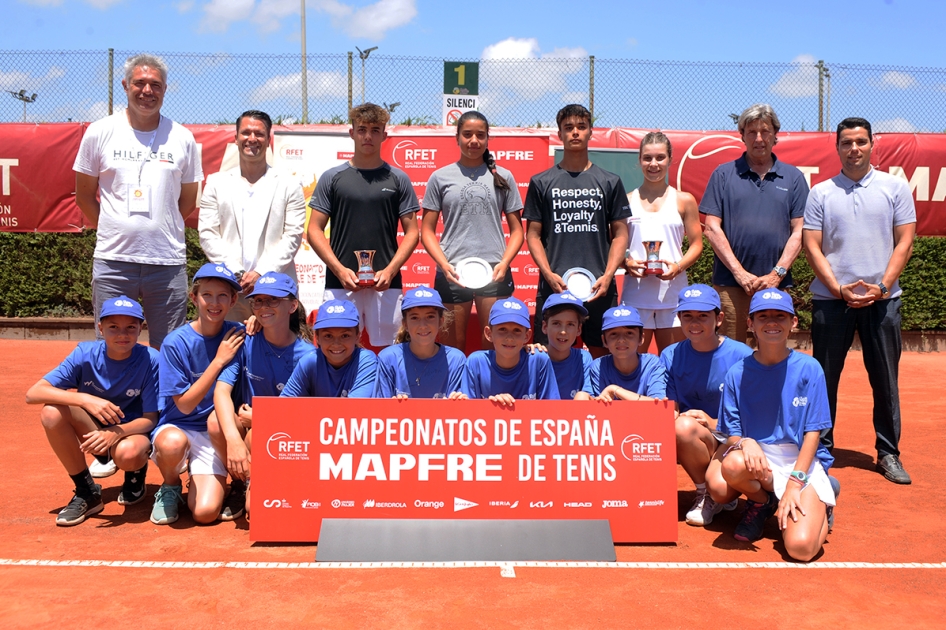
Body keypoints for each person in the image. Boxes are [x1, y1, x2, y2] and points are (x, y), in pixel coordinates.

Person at [803, 117, 916, 485]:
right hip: (831, 301)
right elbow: (812, 246)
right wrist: (838, 289)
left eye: (861, 142)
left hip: (883, 301)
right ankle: (821, 449)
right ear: (837, 147)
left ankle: (888, 452)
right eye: (847, 142)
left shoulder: (895, 188)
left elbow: (905, 242)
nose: (854, 149)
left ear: (872, 145)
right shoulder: (821, 192)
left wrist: (881, 287)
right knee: (823, 380)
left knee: (885, 380)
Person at [73, 53, 202, 350]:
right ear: (125, 85)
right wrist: (114, 228)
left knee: (169, 349)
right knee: (111, 349)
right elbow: (83, 196)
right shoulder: (99, 132)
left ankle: (163, 400)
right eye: (140, 83)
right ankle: (110, 399)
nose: (147, 91)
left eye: (155, 85)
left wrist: (159, 226)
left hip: (167, 263)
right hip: (114, 263)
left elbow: (188, 200)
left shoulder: (182, 138)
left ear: (165, 89)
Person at [714, 289, 836, 561]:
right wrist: (747, 441)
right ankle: (764, 501)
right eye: (763, 317)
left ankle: (822, 504)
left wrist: (795, 484)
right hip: (760, 461)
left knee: (801, 549)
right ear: (750, 324)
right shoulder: (737, 372)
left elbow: (813, 434)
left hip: (800, 462)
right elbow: (732, 433)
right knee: (732, 465)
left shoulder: (810, 367)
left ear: (793, 322)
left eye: (780, 316)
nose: (771, 322)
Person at [25, 296, 160, 526]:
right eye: (113, 327)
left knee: (129, 455)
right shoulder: (84, 353)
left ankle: (135, 473)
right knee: (51, 412)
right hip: (92, 428)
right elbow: (33, 393)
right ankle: (86, 490)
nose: (122, 335)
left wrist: (114, 433)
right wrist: (84, 399)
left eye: (130, 327)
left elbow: (150, 419)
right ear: (100, 328)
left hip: (130, 433)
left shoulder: (151, 359)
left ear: (141, 328)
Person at [305, 103, 420, 349]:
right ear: (352, 133)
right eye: (362, 129)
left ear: (384, 135)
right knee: (337, 349)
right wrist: (338, 269)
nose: (368, 136)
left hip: (386, 283)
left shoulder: (398, 178)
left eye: (375, 130)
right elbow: (314, 230)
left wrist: (390, 270)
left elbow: (413, 233)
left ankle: (393, 391)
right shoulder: (332, 177)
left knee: (391, 350)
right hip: (340, 283)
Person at [524, 104, 630, 358]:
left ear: (590, 132)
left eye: (581, 127)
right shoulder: (541, 182)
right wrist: (548, 274)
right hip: (555, 286)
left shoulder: (610, 181)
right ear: (559, 134)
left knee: (604, 357)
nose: (575, 133)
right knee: (548, 357)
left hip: (599, 288)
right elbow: (533, 235)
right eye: (568, 128)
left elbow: (620, 234)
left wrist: (608, 275)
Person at [210, 272, 315, 521]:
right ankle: (240, 481)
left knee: (255, 511)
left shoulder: (309, 355)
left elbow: (310, 413)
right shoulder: (245, 339)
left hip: (286, 436)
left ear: (292, 306)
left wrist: (264, 419)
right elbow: (222, 390)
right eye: (258, 301)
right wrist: (234, 441)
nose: (263, 307)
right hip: (248, 430)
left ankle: (267, 480)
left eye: (272, 301)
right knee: (216, 423)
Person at [700, 104, 809, 342]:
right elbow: (711, 228)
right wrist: (740, 274)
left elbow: (800, 231)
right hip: (731, 285)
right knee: (731, 352)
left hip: (776, 286)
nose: (759, 139)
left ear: (775, 134)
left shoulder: (794, 178)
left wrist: (776, 275)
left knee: (773, 350)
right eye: (752, 132)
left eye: (765, 131)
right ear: (742, 135)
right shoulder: (722, 174)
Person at [150, 264, 245, 526]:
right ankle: (170, 486)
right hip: (179, 426)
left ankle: (218, 482)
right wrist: (218, 361)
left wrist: (258, 319)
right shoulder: (175, 342)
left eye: (222, 296)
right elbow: (185, 406)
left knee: (204, 514)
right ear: (194, 297)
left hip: (214, 432)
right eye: (207, 295)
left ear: (233, 299)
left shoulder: (239, 333)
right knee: (170, 444)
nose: (214, 303)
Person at [420, 111, 524, 351]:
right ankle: (454, 391)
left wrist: (505, 263)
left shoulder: (503, 176)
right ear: (457, 138)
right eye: (467, 135)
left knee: (496, 346)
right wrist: (444, 264)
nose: (474, 140)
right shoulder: (440, 177)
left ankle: (492, 391)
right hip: (453, 272)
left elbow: (518, 231)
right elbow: (426, 230)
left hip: (494, 271)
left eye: (480, 135)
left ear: (488, 138)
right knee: (451, 347)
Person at [198, 110, 307, 322]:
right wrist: (237, 273)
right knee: (232, 351)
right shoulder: (216, 182)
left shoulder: (289, 184)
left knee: (278, 353)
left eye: (259, 133)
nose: (252, 139)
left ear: (268, 139)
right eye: (246, 132)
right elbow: (208, 234)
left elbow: (293, 236)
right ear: (236, 137)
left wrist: (261, 273)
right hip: (230, 290)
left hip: (276, 290)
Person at [658, 285, 753, 526]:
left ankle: (719, 491)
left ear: (719, 318)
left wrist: (713, 423)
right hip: (694, 436)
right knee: (680, 426)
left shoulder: (741, 355)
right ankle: (705, 492)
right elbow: (671, 405)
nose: (694, 322)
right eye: (687, 316)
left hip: (733, 437)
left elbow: (751, 412)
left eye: (703, 316)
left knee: (685, 428)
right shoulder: (670, 354)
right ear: (679, 318)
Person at [622, 132, 703, 354]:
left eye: (660, 157)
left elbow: (697, 244)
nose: (653, 164)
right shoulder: (627, 200)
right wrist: (626, 262)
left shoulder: (684, 200)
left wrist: (678, 266)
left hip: (673, 295)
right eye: (647, 158)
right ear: (639, 160)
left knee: (674, 363)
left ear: (670, 159)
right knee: (632, 364)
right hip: (636, 296)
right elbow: (615, 245)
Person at [373, 286, 468, 399]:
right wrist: (393, 407)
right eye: (414, 318)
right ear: (405, 324)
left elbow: (460, 410)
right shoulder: (388, 358)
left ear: (441, 321)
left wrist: (458, 402)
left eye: (430, 317)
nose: (423, 325)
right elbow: (379, 409)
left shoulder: (456, 359)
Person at [463, 297, 560, 404]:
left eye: (517, 330)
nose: (509, 337)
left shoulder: (539, 360)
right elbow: (466, 413)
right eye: (502, 329)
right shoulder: (476, 362)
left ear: (527, 336)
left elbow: (552, 410)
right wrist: (494, 409)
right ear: (489, 334)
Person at [280, 299, 378, 398]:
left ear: (357, 336)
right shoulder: (310, 360)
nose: (336, 344)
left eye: (345, 336)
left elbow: (354, 408)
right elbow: (285, 403)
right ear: (317, 338)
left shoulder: (366, 361)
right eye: (328, 336)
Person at [587, 306, 667, 401]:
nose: (621, 340)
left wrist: (615, 390)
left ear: (641, 338)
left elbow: (658, 408)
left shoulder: (653, 364)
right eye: (613, 334)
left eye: (629, 333)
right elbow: (600, 408)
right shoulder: (598, 367)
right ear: (604, 340)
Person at [538, 292, 593, 400]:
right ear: (545, 327)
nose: (563, 331)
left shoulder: (584, 358)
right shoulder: (534, 357)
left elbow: (588, 397)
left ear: (579, 329)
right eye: (556, 323)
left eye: (570, 324)